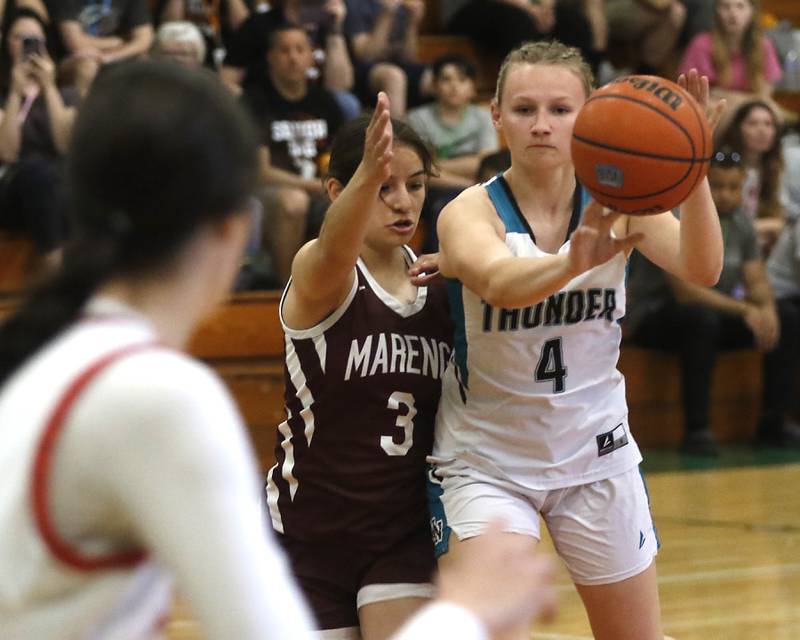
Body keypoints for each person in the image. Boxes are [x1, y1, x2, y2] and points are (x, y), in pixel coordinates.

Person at [426, 40, 724, 640]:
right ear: (495, 115)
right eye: (524, 108)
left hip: (596, 450)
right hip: (488, 461)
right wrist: (569, 264)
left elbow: (703, 268)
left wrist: (691, 168)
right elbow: (498, 282)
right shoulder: (468, 211)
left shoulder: (626, 205)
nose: (541, 125)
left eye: (560, 110)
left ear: (588, 116)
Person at [265, 92, 455, 639]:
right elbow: (331, 248)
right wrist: (367, 171)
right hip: (307, 534)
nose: (402, 202)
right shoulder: (322, 273)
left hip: (402, 533)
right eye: (382, 187)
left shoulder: (442, 287)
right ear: (337, 192)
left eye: (415, 185)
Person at [626, 148, 797, 455]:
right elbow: (687, 292)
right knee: (700, 320)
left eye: (734, 188)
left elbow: (756, 279)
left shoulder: (742, 222)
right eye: (718, 187)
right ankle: (697, 430)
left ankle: (773, 420)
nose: (726, 195)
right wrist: (748, 309)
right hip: (654, 315)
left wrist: (767, 309)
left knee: (787, 316)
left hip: (712, 314)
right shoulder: (680, 214)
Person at [241, 22, 345, 286]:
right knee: (293, 201)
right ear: (271, 57)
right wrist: (313, 186)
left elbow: (341, 161)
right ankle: (288, 295)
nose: (293, 57)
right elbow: (260, 172)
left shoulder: (326, 102)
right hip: (268, 194)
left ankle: (339, 295)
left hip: (319, 189)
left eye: (300, 49)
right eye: (285, 50)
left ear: (311, 56)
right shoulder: (254, 101)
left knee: (348, 204)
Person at [0, 8, 77, 270]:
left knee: (71, 174)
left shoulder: (65, 94)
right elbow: (8, 153)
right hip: (14, 185)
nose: (27, 46)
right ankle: (56, 271)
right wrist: (13, 93)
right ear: (6, 43)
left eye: (35, 39)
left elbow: (64, 145)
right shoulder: (2, 95)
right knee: (37, 171)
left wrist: (49, 87)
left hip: (58, 181)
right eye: (19, 38)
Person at [407, 52, 498, 252]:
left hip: (474, 184)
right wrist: (469, 183)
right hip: (436, 189)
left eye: (462, 79)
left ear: (473, 86)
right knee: (444, 205)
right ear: (434, 85)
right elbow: (419, 172)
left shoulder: (483, 117)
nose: (454, 86)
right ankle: (435, 272)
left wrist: (434, 165)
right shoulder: (417, 119)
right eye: (446, 79)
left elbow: (487, 163)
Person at [679, 0, 782, 115]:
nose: (732, 14)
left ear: (752, 11)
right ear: (716, 11)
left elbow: (765, 96)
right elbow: (698, 94)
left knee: (769, 112)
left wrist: (729, 97)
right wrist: (750, 100)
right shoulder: (701, 44)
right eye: (725, 6)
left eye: (740, 6)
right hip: (715, 110)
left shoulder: (764, 45)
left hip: (751, 112)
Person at [716, 98, 785, 253]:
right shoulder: (722, 165)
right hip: (725, 247)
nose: (762, 130)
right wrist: (769, 226)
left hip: (758, 250)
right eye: (753, 123)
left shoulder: (774, 169)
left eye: (768, 124)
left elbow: (779, 217)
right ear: (737, 128)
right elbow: (722, 224)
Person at [48, 0, 155, 96]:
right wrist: (117, 42)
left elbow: (145, 39)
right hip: (68, 59)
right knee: (87, 66)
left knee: (144, 64)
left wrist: (110, 57)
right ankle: (84, 114)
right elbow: (76, 44)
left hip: (112, 55)